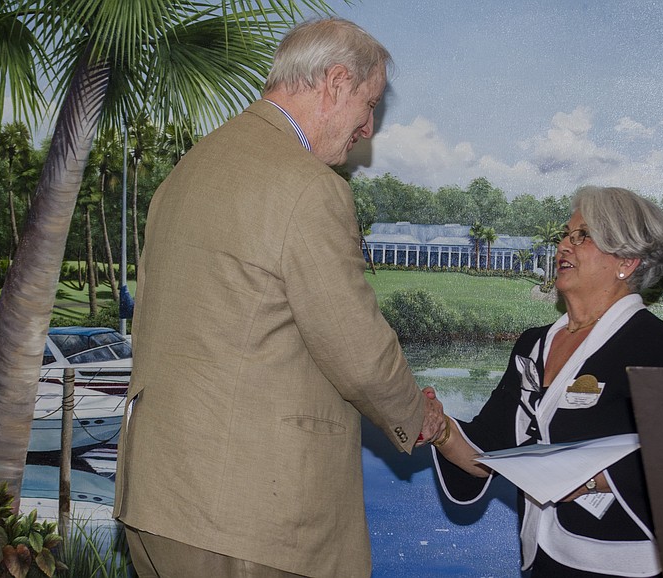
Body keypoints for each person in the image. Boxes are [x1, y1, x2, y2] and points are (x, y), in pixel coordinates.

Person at [113, 18, 444, 578]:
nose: (368, 127)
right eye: (369, 104)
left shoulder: (186, 174)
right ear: (336, 82)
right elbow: (359, 355)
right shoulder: (309, 186)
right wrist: (419, 417)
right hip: (249, 523)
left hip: (155, 503)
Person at [429, 186, 663, 577]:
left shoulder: (653, 344)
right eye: (565, 236)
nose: (564, 247)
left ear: (627, 261)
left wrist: (592, 482)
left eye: (583, 236)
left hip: (622, 565)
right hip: (542, 559)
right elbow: (488, 451)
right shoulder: (533, 345)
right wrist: (439, 430)